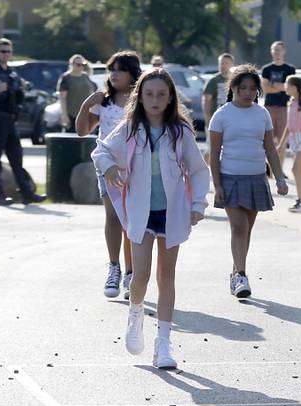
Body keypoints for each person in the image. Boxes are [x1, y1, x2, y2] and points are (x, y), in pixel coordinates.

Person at [91, 68, 210, 369]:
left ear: (171, 97)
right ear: (139, 97)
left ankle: (164, 344)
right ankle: (135, 314)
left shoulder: (180, 131)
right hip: (140, 214)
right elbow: (100, 151)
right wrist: (109, 170)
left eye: (161, 94)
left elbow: (198, 169)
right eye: (148, 94)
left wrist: (197, 204)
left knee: (166, 277)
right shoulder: (130, 128)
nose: (155, 100)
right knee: (140, 276)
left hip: (172, 214)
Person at [209, 65, 288, 298]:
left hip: (256, 177)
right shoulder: (222, 115)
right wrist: (217, 185)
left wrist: (280, 178)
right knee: (238, 227)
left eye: (253, 88)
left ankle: (236, 273)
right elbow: (213, 154)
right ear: (232, 88)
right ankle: (242, 275)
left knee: (247, 229)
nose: (248, 92)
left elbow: (270, 148)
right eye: (242, 87)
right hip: (230, 176)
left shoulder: (261, 114)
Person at [77, 51, 142, 300]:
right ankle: (114, 268)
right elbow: (82, 131)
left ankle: (131, 273)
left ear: (132, 73)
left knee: (132, 221)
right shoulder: (102, 101)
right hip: (106, 165)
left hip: (136, 166)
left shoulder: (141, 100)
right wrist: (85, 106)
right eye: (111, 69)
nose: (114, 74)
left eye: (120, 69)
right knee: (113, 216)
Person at [0, 38, 46, 206]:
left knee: (16, 157)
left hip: (10, 120)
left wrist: (21, 88)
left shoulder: (12, 73)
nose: (6, 54)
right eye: (2, 51)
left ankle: (26, 193)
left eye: (8, 51)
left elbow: (19, 95)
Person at [277, 75, 301, 213]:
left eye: (287, 84)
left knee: (295, 169)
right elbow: (288, 125)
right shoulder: (290, 102)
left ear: (294, 87)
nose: (285, 87)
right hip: (293, 139)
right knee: (299, 171)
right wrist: (281, 144)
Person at [260, 41, 295, 168]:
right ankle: (268, 168)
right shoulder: (266, 69)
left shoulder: (290, 69)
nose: (277, 53)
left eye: (279, 50)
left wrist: (273, 84)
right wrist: (280, 87)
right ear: (271, 51)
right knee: (268, 140)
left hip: (285, 108)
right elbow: (266, 89)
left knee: (282, 140)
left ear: (284, 51)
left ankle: (279, 169)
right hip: (269, 107)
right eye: (274, 50)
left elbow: (290, 88)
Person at [202, 53, 234, 156]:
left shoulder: (235, 80)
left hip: (230, 120)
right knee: (212, 149)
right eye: (221, 63)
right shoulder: (213, 80)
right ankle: (205, 170)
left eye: (225, 63)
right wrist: (207, 119)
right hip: (215, 120)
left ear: (231, 65)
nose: (223, 65)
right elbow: (206, 101)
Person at [57, 54, 95, 133]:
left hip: (85, 114)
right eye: (78, 64)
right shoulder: (66, 78)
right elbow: (62, 98)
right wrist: (64, 115)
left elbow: (91, 92)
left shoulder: (85, 76)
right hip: (71, 114)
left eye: (83, 64)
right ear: (72, 64)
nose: (81, 67)